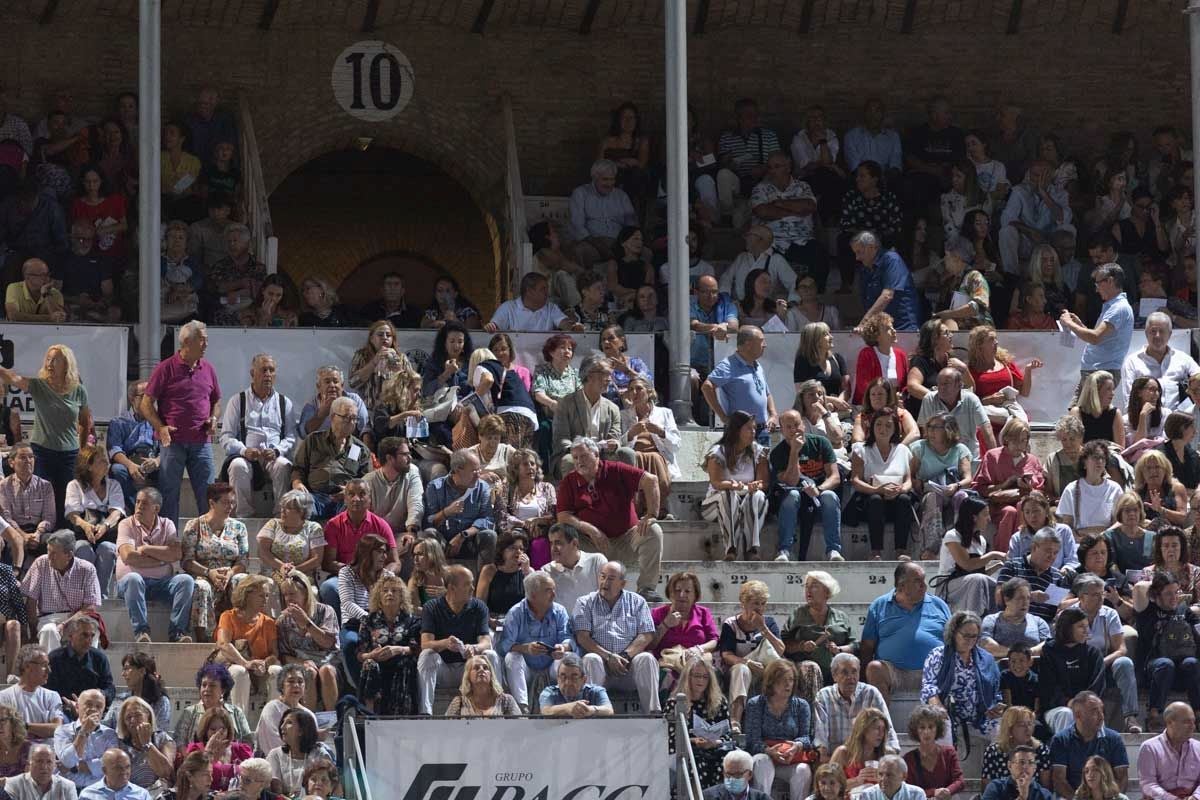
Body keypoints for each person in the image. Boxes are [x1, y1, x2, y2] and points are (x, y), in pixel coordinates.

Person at [141, 321, 220, 527]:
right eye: (202, 339)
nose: (206, 344)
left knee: (208, 494)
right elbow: (145, 403)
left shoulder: (209, 369)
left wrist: (214, 418)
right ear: (186, 341)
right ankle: (169, 542)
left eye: (207, 339)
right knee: (169, 495)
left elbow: (216, 401)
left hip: (201, 441)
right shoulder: (165, 368)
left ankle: (208, 541)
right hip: (172, 442)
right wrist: (160, 427)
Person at [0, 346, 90, 521]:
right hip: (42, 452)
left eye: (55, 359)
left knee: (67, 500)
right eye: (48, 359)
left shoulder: (78, 390)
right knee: (40, 499)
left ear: (66, 364)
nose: (49, 363)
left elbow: (85, 423)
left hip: (69, 454)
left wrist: (83, 450)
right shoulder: (39, 386)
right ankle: (40, 537)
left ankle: (65, 540)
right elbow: (12, 377)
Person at [572, 560, 660, 713]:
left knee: (647, 658)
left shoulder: (637, 602)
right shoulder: (585, 602)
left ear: (622, 583)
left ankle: (653, 713)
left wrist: (625, 656)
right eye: (603, 577)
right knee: (591, 659)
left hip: (628, 668)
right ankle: (591, 713)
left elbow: (646, 635)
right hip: (601, 669)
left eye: (611, 579)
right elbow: (582, 637)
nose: (605, 582)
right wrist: (609, 657)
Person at [218, 354, 298, 518]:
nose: (268, 374)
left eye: (271, 370)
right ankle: (243, 516)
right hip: (247, 456)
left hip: (274, 456)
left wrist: (277, 450)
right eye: (263, 370)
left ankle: (280, 515)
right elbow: (226, 436)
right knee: (237, 466)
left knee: (283, 465)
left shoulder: (285, 402)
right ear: (252, 373)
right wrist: (244, 450)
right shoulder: (237, 400)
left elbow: (291, 436)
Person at [862, 563, 951, 703]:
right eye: (918, 581)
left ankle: (943, 722)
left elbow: (952, 641)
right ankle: (881, 723)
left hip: (933, 672)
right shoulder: (879, 605)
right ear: (901, 585)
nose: (924, 585)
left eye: (924, 580)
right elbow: (867, 646)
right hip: (895, 673)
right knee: (874, 668)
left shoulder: (939, 605)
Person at [113, 488, 194, 643]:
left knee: (186, 581)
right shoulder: (126, 524)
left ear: (156, 508)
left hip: (161, 584)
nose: (138, 507)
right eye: (137, 502)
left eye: (144, 503)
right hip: (130, 585)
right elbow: (128, 556)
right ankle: (141, 632)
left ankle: (177, 633)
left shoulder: (167, 524)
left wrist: (146, 549)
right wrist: (162, 559)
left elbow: (176, 554)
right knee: (133, 578)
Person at [417, 565, 499, 715]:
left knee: (490, 655)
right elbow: (425, 643)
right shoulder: (432, 607)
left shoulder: (479, 607)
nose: (472, 588)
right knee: (427, 655)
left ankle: (495, 709)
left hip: (468, 668)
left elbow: (486, 641)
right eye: (467, 584)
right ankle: (425, 713)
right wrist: (445, 643)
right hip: (442, 669)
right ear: (451, 588)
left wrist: (474, 648)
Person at [919, 610, 1003, 744]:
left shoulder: (986, 658)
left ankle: (997, 764)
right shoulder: (938, 655)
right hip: (946, 711)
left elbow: (995, 690)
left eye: (974, 636)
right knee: (941, 723)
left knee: (1003, 729)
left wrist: (994, 707)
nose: (970, 640)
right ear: (954, 633)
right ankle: (947, 764)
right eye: (965, 636)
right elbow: (929, 687)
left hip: (979, 715)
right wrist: (938, 707)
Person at [769, 410, 842, 563]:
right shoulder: (777, 453)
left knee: (830, 496)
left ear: (803, 424)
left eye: (797, 425)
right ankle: (784, 550)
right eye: (788, 427)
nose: (794, 430)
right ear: (782, 430)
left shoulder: (821, 442)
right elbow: (790, 481)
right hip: (794, 495)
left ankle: (833, 550)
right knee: (793, 496)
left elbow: (835, 477)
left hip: (818, 493)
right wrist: (794, 451)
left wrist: (820, 489)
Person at [318, 478, 396, 620]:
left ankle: (384, 626)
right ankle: (340, 630)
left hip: (376, 576)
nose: (356, 499)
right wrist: (354, 571)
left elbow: (394, 561)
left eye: (362, 494)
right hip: (346, 576)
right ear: (345, 499)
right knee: (328, 587)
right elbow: (328, 562)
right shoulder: (333, 525)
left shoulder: (381, 525)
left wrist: (384, 576)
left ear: (369, 498)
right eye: (351, 494)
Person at [179, 482, 248, 640]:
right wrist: (209, 573)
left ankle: (240, 634)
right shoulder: (195, 525)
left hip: (230, 574)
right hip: (204, 574)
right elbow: (186, 561)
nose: (230, 506)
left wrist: (230, 573)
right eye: (225, 502)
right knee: (201, 587)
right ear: (212, 503)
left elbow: (243, 560)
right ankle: (204, 638)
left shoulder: (239, 527)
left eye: (232, 502)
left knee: (241, 581)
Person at [494, 571, 571, 713]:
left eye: (554, 590)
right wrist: (526, 648)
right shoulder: (516, 612)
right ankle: (521, 709)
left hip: (552, 666)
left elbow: (568, 638)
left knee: (567, 658)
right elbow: (503, 647)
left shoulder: (560, 611)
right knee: (512, 657)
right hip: (526, 669)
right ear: (533, 595)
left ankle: (568, 706)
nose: (554, 595)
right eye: (548, 591)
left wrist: (563, 647)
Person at [1133, 570, 1200, 730]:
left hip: (1182, 670)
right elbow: (1139, 588)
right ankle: (1154, 715)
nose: (1174, 597)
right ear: (1156, 595)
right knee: (1165, 664)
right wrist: (1155, 584)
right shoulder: (1146, 611)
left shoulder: (1185, 611)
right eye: (1168, 593)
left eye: (1176, 592)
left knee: (1192, 663)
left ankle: (1198, 713)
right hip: (1156, 669)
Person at [549, 355, 636, 480]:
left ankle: (626, 499)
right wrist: (583, 452)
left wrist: (614, 444)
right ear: (589, 376)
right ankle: (576, 498)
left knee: (627, 454)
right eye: (605, 374)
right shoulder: (565, 403)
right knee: (569, 461)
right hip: (575, 454)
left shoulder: (613, 408)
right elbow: (562, 440)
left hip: (603, 454)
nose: (609, 380)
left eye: (610, 375)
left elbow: (615, 437)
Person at [289, 396, 371, 521]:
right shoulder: (313, 440)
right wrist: (297, 483)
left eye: (355, 418)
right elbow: (298, 468)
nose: (352, 422)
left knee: (353, 508)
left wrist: (351, 492)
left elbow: (366, 481)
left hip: (344, 499)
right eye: (347, 417)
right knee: (297, 503)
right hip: (315, 496)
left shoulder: (360, 449)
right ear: (333, 417)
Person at [716, 580, 784, 728]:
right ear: (744, 603)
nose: (759, 608)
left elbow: (780, 650)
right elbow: (726, 655)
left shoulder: (769, 623)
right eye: (755, 603)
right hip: (737, 670)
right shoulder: (731, 624)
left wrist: (763, 628)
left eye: (763, 603)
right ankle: (735, 721)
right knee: (742, 670)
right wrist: (747, 662)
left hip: (763, 671)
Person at [702, 412, 769, 561]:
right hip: (716, 504)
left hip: (746, 501)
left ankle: (751, 549)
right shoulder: (718, 452)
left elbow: (763, 482)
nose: (753, 432)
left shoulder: (759, 452)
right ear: (736, 430)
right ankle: (731, 548)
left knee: (758, 495)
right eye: (748, 428)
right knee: (728, 494)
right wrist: (734, 485)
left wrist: (754, 486)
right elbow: (717, 483)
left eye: (754, 428)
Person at [742, 659, 812, 800]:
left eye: (791, 680)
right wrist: (769, 751)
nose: (788, 685)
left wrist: (796, 746)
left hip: (789, 759)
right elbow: (752, 740)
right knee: (762, 761)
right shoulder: (756, 704)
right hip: (765, 755)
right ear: (772, 681)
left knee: (803, 770)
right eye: (783, 680)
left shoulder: (801, 705)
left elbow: (806, 737)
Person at [851, 407, 915, 560]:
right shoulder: (861, 449)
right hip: (870, 501)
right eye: (878, 424)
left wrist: (901, 489)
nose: (883, 429)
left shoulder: (903, 450)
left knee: (905, 500)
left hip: (896, 500)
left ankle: (900, 551)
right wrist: (876, 490)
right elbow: (855, 480)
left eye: (888, 425)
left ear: (895, 429)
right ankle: (876, 551)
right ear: (872, 427)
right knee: (875, 500)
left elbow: (909, 481)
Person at [20, 532, 100, 653]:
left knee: (88, 631)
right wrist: (33, 632)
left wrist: (65, 624)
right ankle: (53, 670)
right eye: (48, 551)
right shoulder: (41, 563)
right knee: (48, 631)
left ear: (69, 555)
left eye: (54, 553)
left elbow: (90, 607)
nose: (49, 557)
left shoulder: (87, 569)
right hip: (48, 618)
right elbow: (31, 601)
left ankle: (85, 670)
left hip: (77, 617)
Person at [973, 419, 1044, 551]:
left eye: (1023, 440)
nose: (1019, 445)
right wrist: (1005, 484)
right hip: (997, 505)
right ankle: (1002, 553)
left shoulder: (1032, 460)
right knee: (1009, 512)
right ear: (1006, 438)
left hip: (1024, 505)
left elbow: (1040, 490)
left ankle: (1022, 551)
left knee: (1020, 507)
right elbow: (980, 488)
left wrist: (1028, 487)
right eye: (1015, 440)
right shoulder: (993, 456)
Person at [812, 653, 898, 761]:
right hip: (836, 761)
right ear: (834, 676)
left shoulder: (871, 693)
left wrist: (891, 755)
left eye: (854, 672)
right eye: (845, 672)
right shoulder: (823, 696)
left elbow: (888, 731)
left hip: (867, 761)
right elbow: (820, 740)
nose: (850, 677)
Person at [909, 412, 973, 559]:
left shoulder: (960, 449)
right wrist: (920, 485)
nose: (930, 431)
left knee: (962, 497)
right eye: (929, 426)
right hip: (927, 494)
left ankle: (961, 545)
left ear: (949, 429)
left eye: (936, 427)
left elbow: (968, 479)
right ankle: (932, 549)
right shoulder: (920, 448)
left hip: (952, 491)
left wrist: (956, 486)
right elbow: (909, 477)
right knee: (933, 497)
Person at [61, 446, 122, 599]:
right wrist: (86, 526)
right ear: (89, 465)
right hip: (83, 534)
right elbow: (72, 514)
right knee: (83, 549)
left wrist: (105, 525)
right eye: (101, 461)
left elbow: (117, 512)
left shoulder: (113, 485)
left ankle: (101, 596)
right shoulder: (74, 485)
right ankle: (83, 595)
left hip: (107, 534)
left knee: (107, 549)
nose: (106, 464)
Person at [702, 327, 779, 447]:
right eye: (761, 341)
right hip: (740, 431)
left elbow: (766, 393)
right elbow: (707, 387)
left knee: (762, 465)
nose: (765, 345)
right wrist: (723, 417)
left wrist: (773, 415)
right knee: (740, 465)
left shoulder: (757, 365)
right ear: (748, 344)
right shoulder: (728, 365)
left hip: (762, 431)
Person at [356, 574, 420, 715]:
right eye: (385, 590)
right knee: (369, 664)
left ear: (402, 596)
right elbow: (360, 654)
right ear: (379, 595)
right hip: (377, 664)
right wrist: (372, 655)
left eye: (394, 590)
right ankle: (369, 714)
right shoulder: (368, 620)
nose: (389, 594)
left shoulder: (412, 620)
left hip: (402, 662)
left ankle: (401, 716)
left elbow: (416, 648)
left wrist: (398, 650)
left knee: (406, 664)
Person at [421, 450, 498, 568]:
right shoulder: (435, 487)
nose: (478, 475)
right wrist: (446, 512)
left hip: (469, 539)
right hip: (444, 539)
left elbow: (487, 519)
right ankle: (435, 580)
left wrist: (463, 535)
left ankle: (484, 582)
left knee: (489, 535)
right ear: (457, 470)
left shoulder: (482, 487)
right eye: (473, 471)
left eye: (479, 470)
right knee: (429, 534)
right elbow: (428, 522)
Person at [1060, 264, 1134, 385]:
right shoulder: (1114, 307)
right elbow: (1097, 338)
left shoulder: (1118, 308)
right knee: (1078, 405)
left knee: (1081, 405)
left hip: (1101, 373)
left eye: (1098, 283)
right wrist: (1079, 325)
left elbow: (1095, 338)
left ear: (1110, 281)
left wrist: (1069, 323)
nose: (1096, 289)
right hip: (1097, 371)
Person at [275, 571, 339, 711]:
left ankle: (331, 721)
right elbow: (284, 655)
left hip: (329, 661)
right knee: (308, 671)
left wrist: (306, 622)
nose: (288, 599)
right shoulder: (284, 620)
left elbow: (328, 642)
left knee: (326, 671)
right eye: (285, 595)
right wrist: (301, 662)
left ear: (305, 593)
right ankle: (309, 719)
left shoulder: (325, 611)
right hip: (302, 662)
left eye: (292, 594)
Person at [334, 535, 393, 687]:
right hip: (354, 623)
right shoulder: (347, 573)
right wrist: (369, 618)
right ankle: (360, 687)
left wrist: (379, 621)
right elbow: (347, 603)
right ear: (367, 552)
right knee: (350, 643)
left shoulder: (387, 576)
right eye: (380, 551)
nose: (384, 556)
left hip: (381, 623)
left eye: (385, 552)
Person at [999, 160, 1074, 277]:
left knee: (1069, 229)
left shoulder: (1061, 194)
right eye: (1034, 175)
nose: (1037, 180)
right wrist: (1029, 231)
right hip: (1027, 240)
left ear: (1050, 176)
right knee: (1006, 231)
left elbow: (1064, 219)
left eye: (1042, 176)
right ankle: (1011, 276)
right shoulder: (1019, 191)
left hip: (1048, 241)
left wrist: (1044, 194)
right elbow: (1006, 219)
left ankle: (1062, 275)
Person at [933, 496, 1005, 615]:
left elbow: (979, 574)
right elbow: (967, 565)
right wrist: (994, 555)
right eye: (985, 514)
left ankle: (993, 621)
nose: (989, 519)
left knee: (998, 587)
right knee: (978, 580)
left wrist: (997, 566)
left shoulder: (981, 540)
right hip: (949, 586)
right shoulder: (952, 536)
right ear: (974, 517)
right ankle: (972, 619)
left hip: (970, 583)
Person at [215, 575, 278, 710]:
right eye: (261, 596)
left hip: (260, 669)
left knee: (277, 671)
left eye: (267, 596)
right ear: (247, 595)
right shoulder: (228, 616)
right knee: (240, 672)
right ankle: (240, 723)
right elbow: (223, 644)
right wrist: (246, 663)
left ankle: (274, 722)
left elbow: (275, 654)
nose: (265, 600)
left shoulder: (268, 622)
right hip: (236, 665)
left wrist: (265, 663)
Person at [618, 378, 678, 520]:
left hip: (658, 455)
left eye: (639, 388)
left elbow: (676, 444)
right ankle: (638, 511)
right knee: (637, 457)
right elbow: (618, 444)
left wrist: (661, 432)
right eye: (631, 389)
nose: (634, 392)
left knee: (654, 458)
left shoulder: (665, 413)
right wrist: (631, 433)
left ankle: (658, 510)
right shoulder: (623, 415)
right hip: (634, 455)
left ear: (649, 391)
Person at [782, 571, 855, 687]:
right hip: (806, 667)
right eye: (806, 586)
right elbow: (784, 644)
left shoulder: (841, 617)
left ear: (827, 591)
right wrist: (801, 646)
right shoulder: (798, 615)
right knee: (811, 668)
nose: (808, 590)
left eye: (814, 586)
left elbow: (854, 645)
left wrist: (839, 649)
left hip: (835, 665)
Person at [1049, 692, 1128, 798]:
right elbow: (1059, 780)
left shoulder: (1114, 739)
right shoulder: (1061, 740)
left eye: (1102, 711)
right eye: (1095, 712)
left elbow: (1122, 777)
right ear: (1078, 715)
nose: (1101, 717)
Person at [1117, 312, 1198, 411]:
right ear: (1146, 333)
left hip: (1179, 421)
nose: (1157, 336)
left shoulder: (1183, 359)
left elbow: (1198, 379)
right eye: (1153, 331)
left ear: (1170, 334)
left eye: (1162, 331)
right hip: (1147, 421)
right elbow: (1129, 400)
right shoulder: (1132, 362)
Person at [917, 368, 995, 464]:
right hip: (938, 459)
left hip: (968, 456)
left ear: (959, 385)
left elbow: (986, 428)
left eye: (946, 383)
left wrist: (995, 458)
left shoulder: (971, 399)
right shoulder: (929, 399)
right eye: (939, 383)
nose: (941, 387)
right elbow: (925, 431)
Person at [853, 231, 920, 332]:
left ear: (871, 247)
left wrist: (863, 323)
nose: (857, 258)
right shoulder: (865, 270)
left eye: (859, 252)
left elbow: (887, 295)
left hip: (903, 328)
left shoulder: (891, 260)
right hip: (881, 330)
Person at [255, 489, 325, 587]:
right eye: (282, 507)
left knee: (297, 587)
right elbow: (262, 552)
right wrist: (282, 566)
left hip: (301, 575)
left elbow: (317, 558)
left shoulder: (313, 528)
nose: (282, 510)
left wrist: (295, 570)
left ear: (301, 511)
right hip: (272, 574)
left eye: (287, 508)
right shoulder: (273, 524)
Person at [105, 385, 158, 514]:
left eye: (151, 397)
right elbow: (114, 450)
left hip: (152, 462)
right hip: (129, 461)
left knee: (170, 469)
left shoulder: (157, 422)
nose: (148, 400)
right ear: (132, 399)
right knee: (117, 470)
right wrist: (130, 465)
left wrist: (157, 461)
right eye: (143, 396)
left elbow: (167, 449)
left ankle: (163, 516)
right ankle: (136, 512)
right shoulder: (118, 422)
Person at [46, 616, 113, 718]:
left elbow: (109, 687)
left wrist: (101, 694)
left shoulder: (99, 658)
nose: (89, 640)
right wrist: (68, 704)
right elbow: (48, 690)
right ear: (70, 635)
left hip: (92, 711)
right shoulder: (55, 658)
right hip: (62, 711)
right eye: (84, 635)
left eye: (92, 636)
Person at [171, 663, 252, 747]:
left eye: (212, 685)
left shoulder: (236, 712)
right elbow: (179, 743)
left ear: (223, 690)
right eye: (204, 685)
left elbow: (248, 741)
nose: (207, 689)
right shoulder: (190, 713)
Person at [1057, 441, 1124, 538]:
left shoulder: (1114, 489)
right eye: (1095, 457)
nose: (1100, 461)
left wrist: (1100, 536)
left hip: (1106, 544)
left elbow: (1119, 522)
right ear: (1084, 462)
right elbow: (1067, 526)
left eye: (1103, 458)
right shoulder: (1071, 489)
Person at [540, 522, 606, 616]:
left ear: (575, 543)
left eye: (558, 543)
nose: (553, 548)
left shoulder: (596, 561)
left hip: (597, 624)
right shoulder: (546, 571)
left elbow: (609, 596)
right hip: (566, 628)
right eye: (551, 543)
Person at [364, 437, 424, 539]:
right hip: (376, 537)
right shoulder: (368, 481)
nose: (410, 458)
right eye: (405, 454)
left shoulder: (412, 472)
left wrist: (411, 531)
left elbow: (416, 502)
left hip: (403, 534)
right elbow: (363, 516)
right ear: (389, 458)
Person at [1137, 702, 1200, 800]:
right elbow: (1148, 784)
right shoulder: (1149, 747)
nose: (1193, 726)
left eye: (1194, 721)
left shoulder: (1198, 747)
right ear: (1170, 722)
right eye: (1187, 722)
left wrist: (1195, 797)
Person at [265, 709, 333, 796]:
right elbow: (275, 790)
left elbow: (327, 788)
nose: (282, 727)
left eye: (289, 722)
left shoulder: (320, 755)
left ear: (302, 730)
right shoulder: (275, 754)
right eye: (282, 722)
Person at [0, 645, 60, 744]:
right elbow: (6, 731)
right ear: (27, 666)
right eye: (44, 665)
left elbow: (57, 729)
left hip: (45, 756)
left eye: (48, 665)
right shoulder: (3, 697)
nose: (49, 670)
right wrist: (42, 729)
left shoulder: (52, 696)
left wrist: (23, 725)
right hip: (15, 755)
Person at [254, 665, 319, 756]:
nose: (296, 685)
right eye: (291, 681)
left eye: (300, 682)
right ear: (282, 686)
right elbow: (272, 742)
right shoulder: (272, 708)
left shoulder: (309, 714)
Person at [902, 704, 964, 799]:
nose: (927, 732)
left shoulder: (949, 753)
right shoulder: (908, 758)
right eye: (922, 727)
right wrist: (933, 792)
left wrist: (947, 791)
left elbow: (960, 781)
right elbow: (909, 790)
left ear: (937, 729)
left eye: (931, 727)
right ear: (916, 730)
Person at [181, 707, 249, 790]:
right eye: (212, 729)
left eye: (223, 729)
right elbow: (187, 778)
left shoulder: (240, 750)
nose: (217, 733)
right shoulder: (195, 750)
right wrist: (207, 753)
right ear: (206, 730)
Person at [982, 708, 1053, 788]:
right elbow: (987, 786)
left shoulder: (1041, 750)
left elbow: (1046, 786)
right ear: (1009, 728)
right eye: (1022, 725)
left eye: (1030, 724)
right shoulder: (993, 751)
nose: (1027, 729)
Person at [980, 578, 1051, 658]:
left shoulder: (1039, 622)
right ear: (1007, 600)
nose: (1025, 603)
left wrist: (1027, 654)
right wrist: (1016, 655)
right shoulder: (991, 620)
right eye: (1020, 598)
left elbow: (1047, 645)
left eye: (1028, 598)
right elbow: (985, 644)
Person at [793, 323, 852, 416]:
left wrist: (839, 402)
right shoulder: (802, 361)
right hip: (814, 416)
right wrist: (833, 401)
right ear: (814, 340)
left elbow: (846, 388)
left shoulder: (837, 358)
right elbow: (802, 391)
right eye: (826, 334)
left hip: (838, 414)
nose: (831, 336)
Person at [101, 653, 168, 734]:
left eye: (127, 669)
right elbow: (106, 726)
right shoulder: (120, 699)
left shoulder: (160, 701)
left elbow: (160, 733)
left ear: (142, 671)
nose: (123, 674)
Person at [852, 313, 909, 406]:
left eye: (893, 327)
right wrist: (887, 400)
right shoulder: (866, 354)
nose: (894, 331)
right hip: (869, 407)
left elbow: (905, 385)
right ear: (876, 335)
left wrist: (902, 395)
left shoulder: (900, 354)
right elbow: (863, 386)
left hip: (895, 406)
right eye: (888, 329)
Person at [475, 531, 531, 624]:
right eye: (512, 548)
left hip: (520, 622)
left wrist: (526, 572)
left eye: (521, 549)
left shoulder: (528, 572)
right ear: (502, 550)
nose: (518, 552)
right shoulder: (489, 570)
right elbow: (480, 604)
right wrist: (489, 621)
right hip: (494, 620)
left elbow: (534, 603)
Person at [299, 367, 369, 438]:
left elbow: (364, 428)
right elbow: (303, 433)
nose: (332, 385)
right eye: (327, 382)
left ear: (342, 385)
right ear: (318, 387)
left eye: (335, 382)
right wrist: (320, 415)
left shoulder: (354, 400)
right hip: (319, 447)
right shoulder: (312, 405)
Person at [537, 652, 613, 718]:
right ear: (557, 678)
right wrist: (568, 708)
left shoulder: (596, 691)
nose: (568, 682)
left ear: (584, 680)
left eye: (574, 677)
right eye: (563, 677)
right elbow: (546, 711)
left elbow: (609, 710)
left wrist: (591, 710)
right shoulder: (549, 692)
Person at [444, 654, 519, 717]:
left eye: (485, 668)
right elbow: (445, 730)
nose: (481, 670)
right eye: (476, 668)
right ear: (468, 676)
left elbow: (521, 728)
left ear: (491, 675)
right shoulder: (459, 703)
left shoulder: (506, 701)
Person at [1134, 451, 1190, 527]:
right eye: (1148, 468)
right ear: (1141, 472)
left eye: (1157, 467)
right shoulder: (1137, 492)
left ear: (1165, 470)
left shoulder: (1176, 488)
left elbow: (1183, 518)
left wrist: (1161, 510)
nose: (1153, 471)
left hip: (1173, 535)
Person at [4, 259, 66, 325]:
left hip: (47, 334)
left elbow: (59, 318)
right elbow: (13, 316)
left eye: (47, 274)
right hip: (18, 333)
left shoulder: (55, 293)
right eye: (42, 275)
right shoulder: (14, 288)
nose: (46, 278)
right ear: (27, 277)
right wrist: (49, 318)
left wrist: (46, 294)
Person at [981, 745, 1053, 800]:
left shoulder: (1044, 794)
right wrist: (1022, 797)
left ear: (1035, 768)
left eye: (1030, 763)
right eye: (1021, 762)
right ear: (1009, 766)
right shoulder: (996, 788)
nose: (1025, 766)